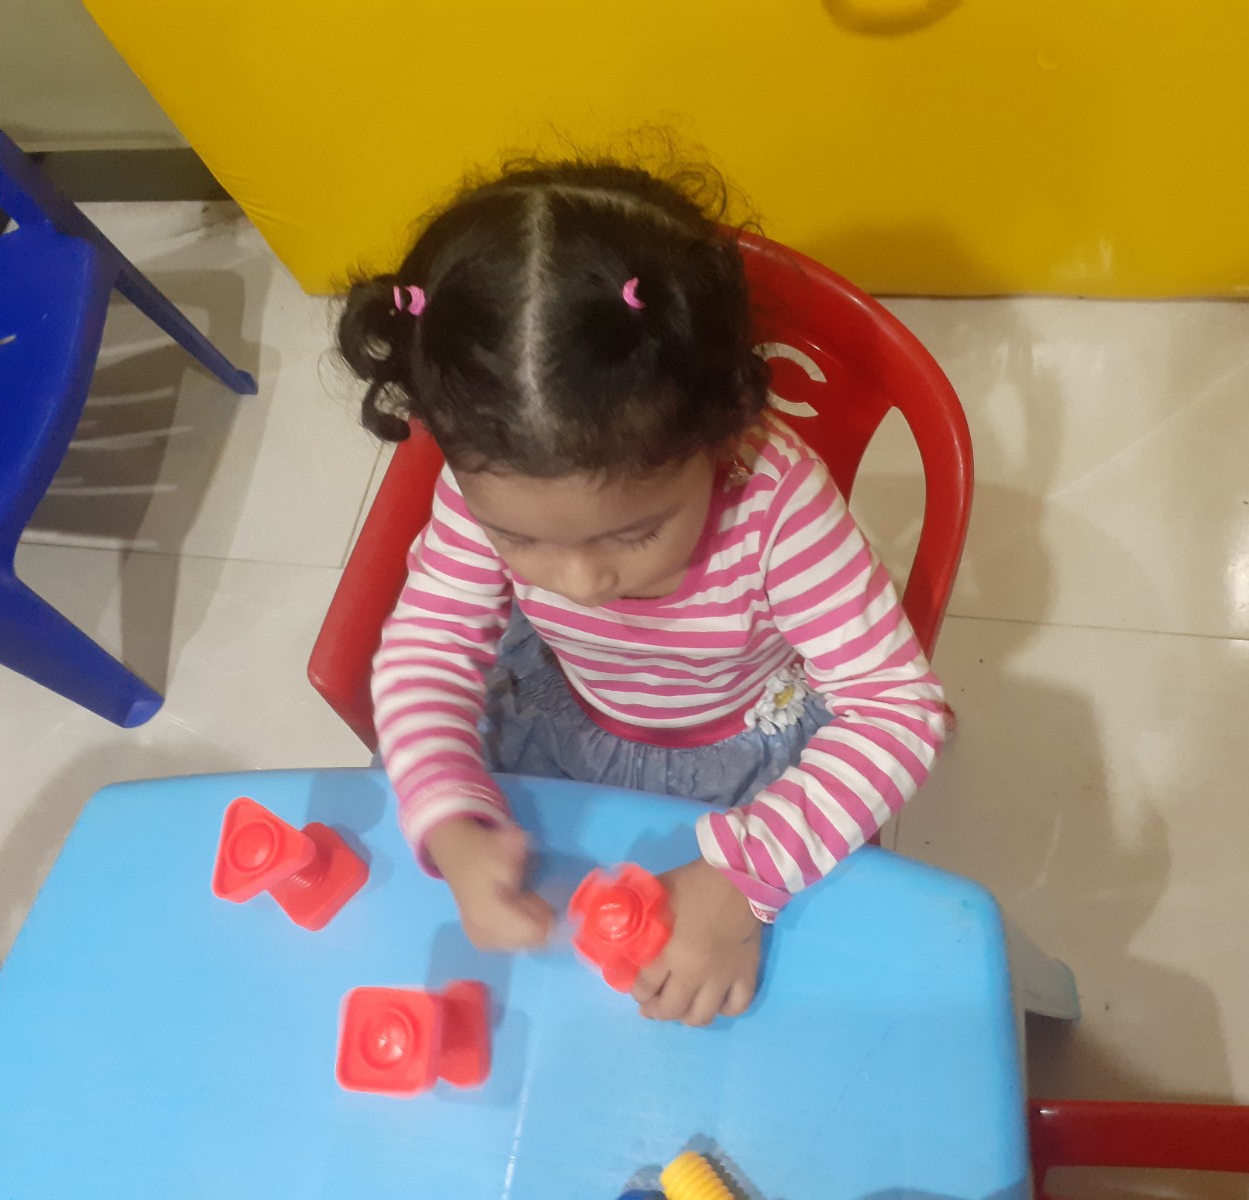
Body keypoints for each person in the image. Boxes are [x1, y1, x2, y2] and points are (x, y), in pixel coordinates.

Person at [336, 158, 949, 1027]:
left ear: (723, 434)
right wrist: (449, 818)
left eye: (633, 534)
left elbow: (898, 710)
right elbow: (428, 647)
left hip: (744, 752)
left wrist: (743, 878)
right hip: (561, 714)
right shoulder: (491, 474)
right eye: (522, 539)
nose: (582, 583)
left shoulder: (775, 504)